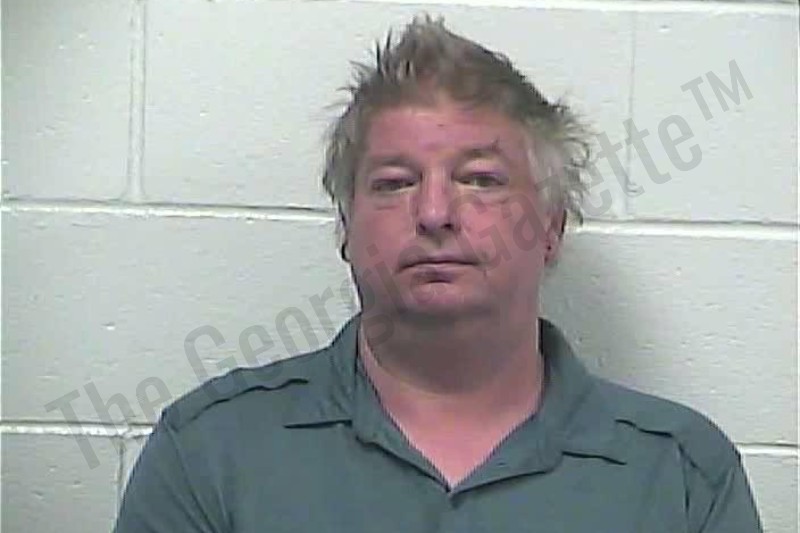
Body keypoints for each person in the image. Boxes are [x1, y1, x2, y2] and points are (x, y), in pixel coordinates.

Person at [114, 16, 763, 532]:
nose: (433, 213)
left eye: (480, 180)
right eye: (395, 183)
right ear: (346, 228)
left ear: (552, 227)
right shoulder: (210, 454)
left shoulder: (681, 474)